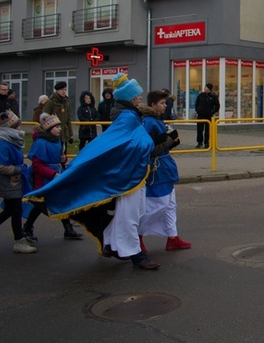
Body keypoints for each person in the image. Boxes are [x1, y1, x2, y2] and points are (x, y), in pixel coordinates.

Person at [26, 73, 158, 270]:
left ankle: (112, 245)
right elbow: (133, 143)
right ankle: (136, 255)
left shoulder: (131, 115)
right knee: (130, 215)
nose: (140, 97)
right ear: (131, 98)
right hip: (127, 176)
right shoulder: (127, 117)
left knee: (132, 213)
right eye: (138, 95)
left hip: (132, 172)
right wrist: (151, 141)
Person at [138, 89, 190, 253]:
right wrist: (168, 141)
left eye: (165, 103)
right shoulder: (149, 122)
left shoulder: (157, 120)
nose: (165, 106)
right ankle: (137, 236)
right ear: (153, 105)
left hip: (165, 167)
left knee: (170, 205)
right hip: (157, 170)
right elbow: (148, 148)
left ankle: (172, 237)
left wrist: (170, 142)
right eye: (162, 103)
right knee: (157, 204)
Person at [22, 113, 83, 242]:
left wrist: (63, 159)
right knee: (40, 205)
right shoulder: (40, 143)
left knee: (58, 202)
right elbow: (37, 166)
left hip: (54, 177)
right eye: (56, 127)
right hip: (42, 180)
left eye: (60, 126)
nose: (60, 129)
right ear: (49, 129)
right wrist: (53, 174)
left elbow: (59, 160)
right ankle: (27, 228)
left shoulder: (57, 141)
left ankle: (68, 228)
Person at [0, 110, 36, 253]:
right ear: (10, 127)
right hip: (6, 181)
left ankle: (19, 240)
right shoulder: (1, 143)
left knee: (13, 209)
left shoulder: (9, 140)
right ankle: (18, 241)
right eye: (17, 126)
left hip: (13, 180)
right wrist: (19, 169)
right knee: (15, 209)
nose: (20, 129)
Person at [43, 81, 73, 146]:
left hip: (64, 133)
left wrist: (71, 134)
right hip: (53, 133)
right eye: (62, 89)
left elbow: (68, 120)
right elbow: (44, 117)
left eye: (65, 89)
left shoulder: (66, 102)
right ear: (57, 90)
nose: (64, 91)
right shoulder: (51, 102)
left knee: (63, 153)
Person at [195, 83, 219, 149]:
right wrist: (197, 110)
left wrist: (212, 112)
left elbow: (217, 105)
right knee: (199, 129)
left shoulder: (213, 96)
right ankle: (199, 142)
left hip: (208, 116)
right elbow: (197, 103)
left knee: (207, 130)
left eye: (206, 87)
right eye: (204, 87)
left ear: (209, 89)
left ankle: (206, 143)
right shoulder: (200, 95)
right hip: (200, 115)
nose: (204, 88)